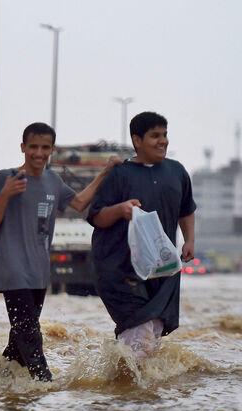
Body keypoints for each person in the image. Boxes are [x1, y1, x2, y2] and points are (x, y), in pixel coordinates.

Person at [0, 122, 117, 381]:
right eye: (33, 147)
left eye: (45, 147)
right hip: (12, 272)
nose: (38, 153)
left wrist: (105, 172)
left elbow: (79, 203)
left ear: (52, 150)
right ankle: (45, 386)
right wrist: (5, 195)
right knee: (31, 335)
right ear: (23, 147)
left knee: (19, 342)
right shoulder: (6, 177)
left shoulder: (53, 181)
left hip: (39, 274)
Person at [86, 111, 196, 358]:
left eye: (165, 135)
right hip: (120, 270)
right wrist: (121, 209)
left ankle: (129, 388)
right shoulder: (120, 175)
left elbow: (186, 210)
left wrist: (189, 240)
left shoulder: (177, 172)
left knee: (153, 328)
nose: (163, 141)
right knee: (139, 329)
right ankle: (130, 389)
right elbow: (97, 217)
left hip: (162, 269)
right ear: (137, 140)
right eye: (155, 135)